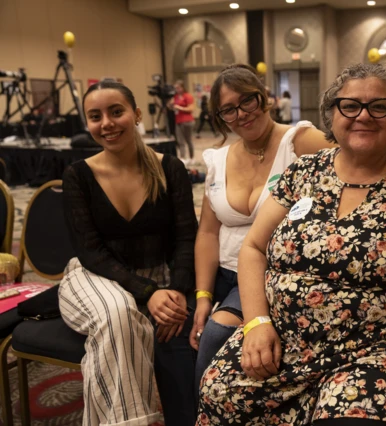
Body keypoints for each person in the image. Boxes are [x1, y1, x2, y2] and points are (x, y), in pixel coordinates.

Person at [197, 63, 386, 425]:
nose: (363, 116)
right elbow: (254, 248)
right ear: (331, 115)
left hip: (373, 354)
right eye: (350, 105)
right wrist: (256, 322)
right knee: (220, 390)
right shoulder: (303, 173)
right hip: (283, 344)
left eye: (379, 106)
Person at [59, 81, 199, 426]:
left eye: (116, 111)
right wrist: (149, 293)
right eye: (95, 116)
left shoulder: (170, 168)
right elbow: (90, 252)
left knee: (124, 327)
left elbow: (186, 238)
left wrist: (178, 291)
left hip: (161, 277)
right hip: (93, 276)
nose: (106, 123)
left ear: (136, 115)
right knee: (119, 312)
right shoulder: (79, 174)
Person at [191, 64, 332, 384]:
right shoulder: (218, 158)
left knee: (216, 335)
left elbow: (353, 166)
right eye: (228, 110)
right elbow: (208, 232)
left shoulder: (300, 140)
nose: (241, 114)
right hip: (222, 276)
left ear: (264, 98)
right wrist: (202, 295)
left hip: (270, 273)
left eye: (247, 101)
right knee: (183, 331)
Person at [170, 79, 196, 164]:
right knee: (180, 141)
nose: (177, 90)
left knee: (188, 140)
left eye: (178, 88)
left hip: (187, 121)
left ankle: (192, 158)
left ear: (182, 87)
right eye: (175, 88)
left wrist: (179, 108)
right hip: (178, 121)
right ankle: (183, 158)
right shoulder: (176, 97)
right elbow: (170, 106)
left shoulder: (188, 96)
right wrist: (171, 105)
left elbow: (191, 108)